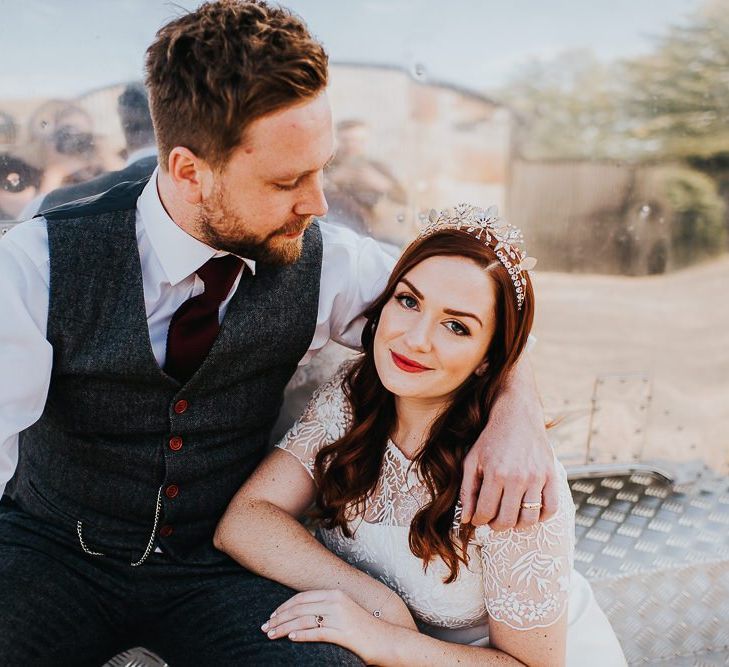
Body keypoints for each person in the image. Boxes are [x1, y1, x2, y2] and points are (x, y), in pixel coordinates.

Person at [0, 2, 555, 665]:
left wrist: (515, 408)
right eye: (287, 180)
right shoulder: (37, 263)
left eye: (322, 169)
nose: (317, 203)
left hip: (218, 564)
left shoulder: (330, 263)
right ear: (188, 172)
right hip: (54, 551)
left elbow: (473, 308)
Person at [215, 204, 627, 666]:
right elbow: (244, 520)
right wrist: (378, 604)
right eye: (408, 301)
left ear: (491, 359)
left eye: (456, 326)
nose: (415, 339)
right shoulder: (353, 397)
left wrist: (385, 638)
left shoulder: (514, 474)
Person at [22, 82, 158, 217]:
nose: (75, 143)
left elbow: (128, 180)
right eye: (64, 135)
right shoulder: (27, 179)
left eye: (84, 137)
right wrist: (55, 172)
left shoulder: (109, 176)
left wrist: (104, 156)